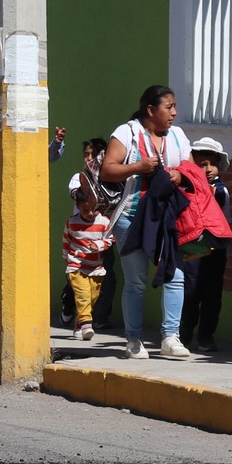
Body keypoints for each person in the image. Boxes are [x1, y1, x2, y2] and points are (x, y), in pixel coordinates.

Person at [100, 84, 194, 360]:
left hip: (166, 219)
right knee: (137, 280)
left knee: (175, 276)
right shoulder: (127, 133)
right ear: (150, 110)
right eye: (169, 107)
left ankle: (170, 337)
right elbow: (108, 169)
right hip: (131, 218)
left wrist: (179, 174)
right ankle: (134, 339)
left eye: (175, 106)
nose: (174, 113)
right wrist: (137, 168)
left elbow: (189, 167)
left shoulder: (177, 136)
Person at [0, 123, 67, 332]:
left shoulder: (26, 133)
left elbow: (43, 158)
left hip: (18, 206)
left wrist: (56, 144)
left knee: (22, 259)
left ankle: (19, 312)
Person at [179, 137, 232, 354]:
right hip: (194, 248)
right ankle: (184, 333)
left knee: (212, 293)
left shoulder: (220, 190)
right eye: (202, 164)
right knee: (190, 291)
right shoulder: (187, 188)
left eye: (212, 164)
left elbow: (214, 195)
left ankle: (206, 336)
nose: (208, 169)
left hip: (216, 249)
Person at [62, 178, 115, 342]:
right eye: (85, 210)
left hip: (96, 267)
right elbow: (66, 241)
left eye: (92, 209)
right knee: (83, 294)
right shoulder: (72, 222)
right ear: (78, 206)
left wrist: (99, 245)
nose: (90, 213)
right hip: (76, 266)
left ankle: (80, 323)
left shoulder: (104, 222)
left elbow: (111, 239)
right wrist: (67, 257)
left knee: (92, 297)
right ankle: (86, 324)